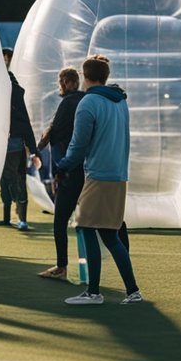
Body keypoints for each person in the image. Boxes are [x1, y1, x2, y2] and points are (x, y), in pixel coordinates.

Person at [56, 55, 142, 305]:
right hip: (117, 174)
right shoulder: (120, 101)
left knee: (86, 226)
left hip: (99, 175)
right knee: (109, 234)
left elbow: (78, 143)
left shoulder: (89, 102)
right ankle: (132, 291)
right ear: (105, 76)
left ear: (85, 76)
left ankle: (94, 292)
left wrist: (63, 165)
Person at [36, 67, 85, 280]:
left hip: (68, 171)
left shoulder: (67, 103)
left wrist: (57, 171)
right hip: (87, 170)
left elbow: (55, 134)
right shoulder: (85, 101)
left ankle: (61, 267)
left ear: (64, 82)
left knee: (60, 221)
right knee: (98, 223)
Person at [0, 49, 40, 231]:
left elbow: (23, 120)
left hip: (7, 141)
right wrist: (33, 148)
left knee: (11, 178)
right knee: (13, 178)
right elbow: (24, 120)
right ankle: (14, 215)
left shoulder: (6, 86)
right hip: (10, 141)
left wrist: (33, 149)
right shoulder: (11, 86)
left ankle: (14, 215)